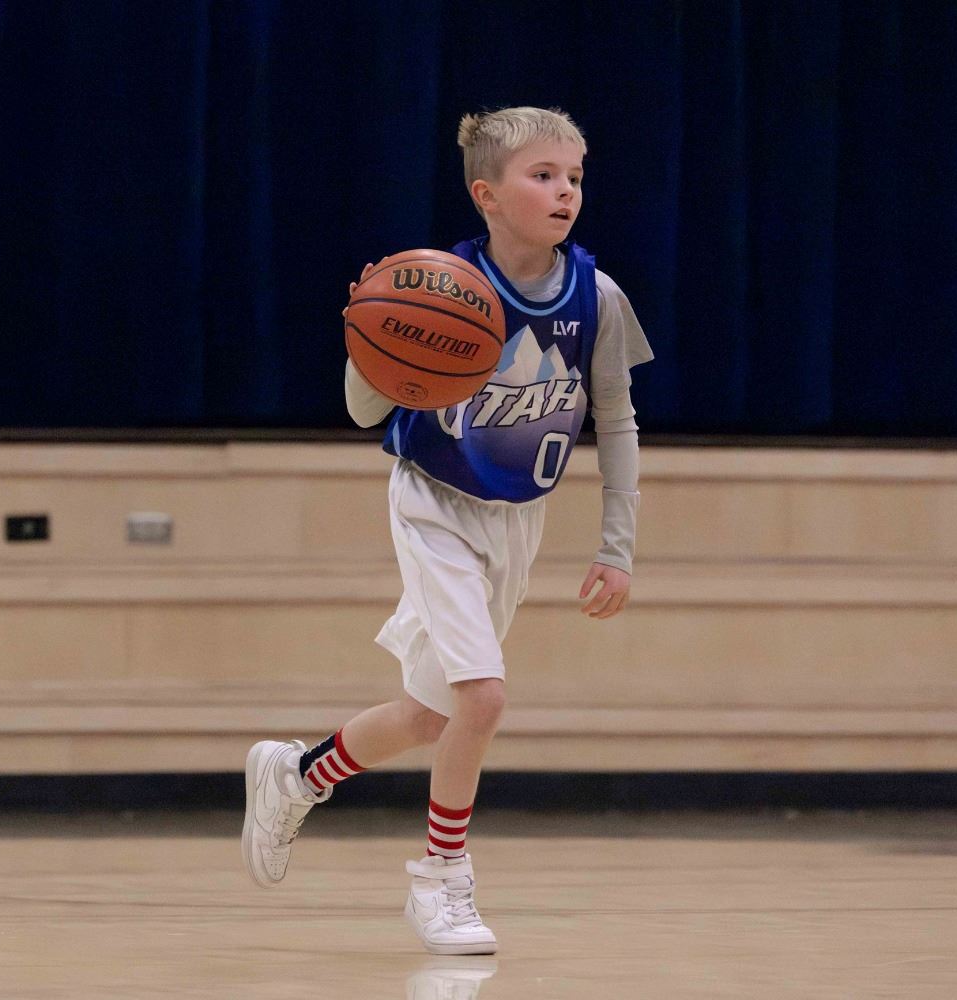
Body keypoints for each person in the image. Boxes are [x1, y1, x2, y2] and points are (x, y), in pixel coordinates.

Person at [242, 106, 653, 956]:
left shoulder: (597, 298)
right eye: (542, 175)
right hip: (432, 501)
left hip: (518, 517)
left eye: (573, 176)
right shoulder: (434, 288)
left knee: (430, 715)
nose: (564, 191)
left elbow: (615, 421)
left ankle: (295, 774)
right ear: (487, 195)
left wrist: (615, 548)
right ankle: (441, 878)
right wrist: (368, 335)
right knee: (484, 697)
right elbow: (362, 414)